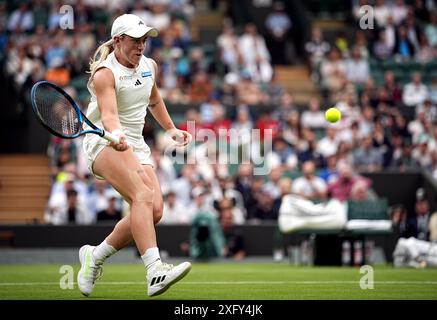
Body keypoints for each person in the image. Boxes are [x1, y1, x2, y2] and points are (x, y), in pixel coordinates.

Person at [78, 14, 192, 298]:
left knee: (154, 211)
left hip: (135, 144)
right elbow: (109, 115)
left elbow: (154, 99)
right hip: (103, 140)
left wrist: (171, 129)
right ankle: (155, 270)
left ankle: (95, 256)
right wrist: (116, 135)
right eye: (135, 40)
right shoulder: (105, 73)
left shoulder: (149, 66)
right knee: (142, 194)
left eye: (144, 40)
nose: (141, 46)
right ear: (118, 41)